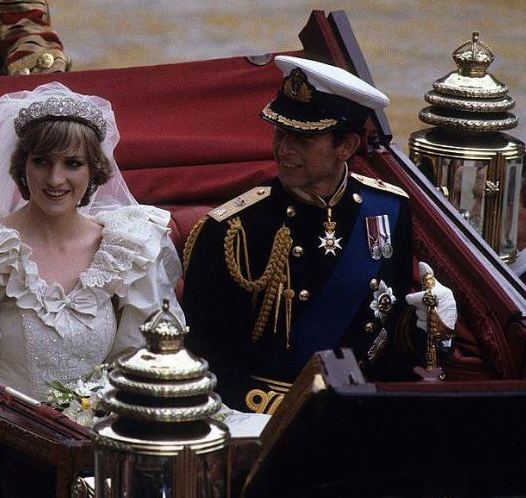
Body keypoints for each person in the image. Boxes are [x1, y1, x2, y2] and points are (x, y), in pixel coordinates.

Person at [182, 56, 456, 414]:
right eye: (280, 132)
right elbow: (208, 361)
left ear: (346, 146)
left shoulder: (389, 208)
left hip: (364, 408)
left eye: (302, 138)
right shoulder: (233, 230)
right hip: (266, 419)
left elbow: (386, 336)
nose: (284, 149)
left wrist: (428, 330)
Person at [0, 82, 184, 401]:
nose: (55, 179)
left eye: (72, 163)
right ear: (22, 165)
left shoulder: (128, 247)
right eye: (42, 161)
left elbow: (142, 364)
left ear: (93, 170)